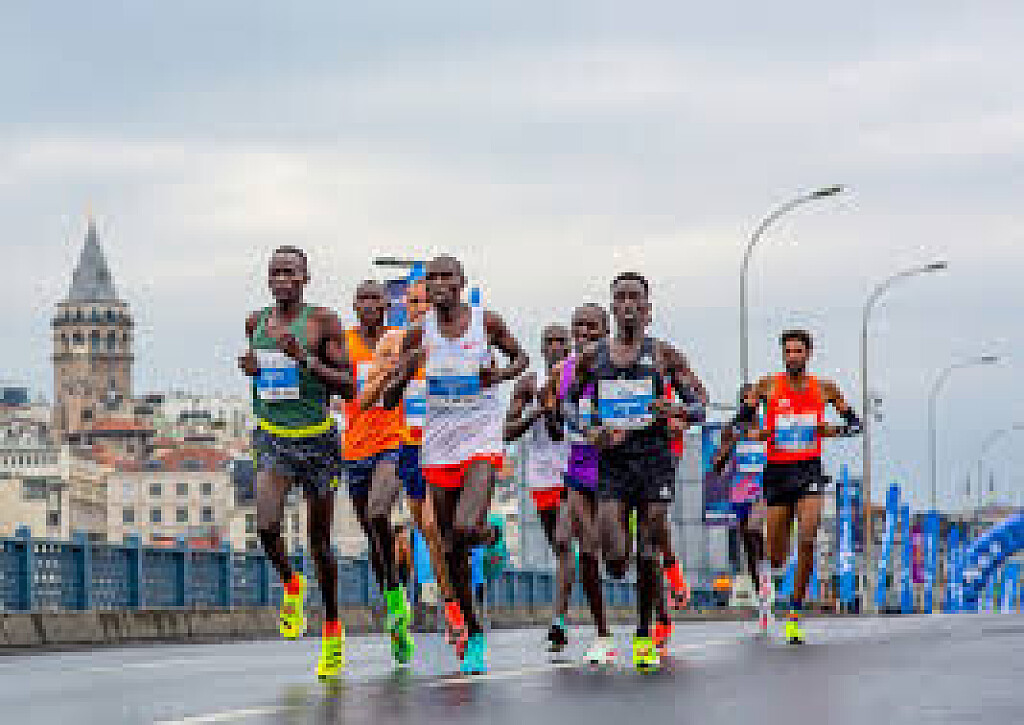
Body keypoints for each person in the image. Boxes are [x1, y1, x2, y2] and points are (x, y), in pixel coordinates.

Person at [383, 255, 528, 674]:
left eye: (447, 276)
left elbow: (521, 360)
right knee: (449, 547)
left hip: (481, 437)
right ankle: (473, 630)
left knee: (464, 530)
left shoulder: (487, 322)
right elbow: (390, 401)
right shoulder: (417, 334)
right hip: (439, 445)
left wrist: (498, 375)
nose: (440, 284)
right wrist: (404, 372)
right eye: (433, 278)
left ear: (462, 281)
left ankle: (487, 533)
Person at [580, 272, 707, 672]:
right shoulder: (593, 357)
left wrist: (679, 410)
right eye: (620, 298)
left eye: (635, 298)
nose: (628, 305)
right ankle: (639, 588)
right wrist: (590, 430)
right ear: (612, 308)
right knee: (616, 559)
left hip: (654, 460)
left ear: (648, 310)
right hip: (613, 463)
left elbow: (699, 404)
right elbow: (566, 404)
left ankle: (642, 635)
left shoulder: (665, 355)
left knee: (648, 547)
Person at [237, 246, 352, 683]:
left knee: (320, 545)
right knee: (266, 525)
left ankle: (332, 630)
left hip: (318, 441)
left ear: (305, 278)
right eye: (275, 273)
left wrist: (305, 358)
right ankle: (291, 584)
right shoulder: (254, 323)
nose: (282, 280)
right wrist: (252, 370)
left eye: (290, 272)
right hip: (273, 437)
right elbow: (266, 375)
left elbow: (349, 386)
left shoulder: (323, 322)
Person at [356, 278, 467, 656]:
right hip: (411, 448)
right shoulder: (393, 343)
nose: (419, 309)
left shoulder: (454, 340)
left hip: (449, 446)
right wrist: (392, 371)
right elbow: (365, 400)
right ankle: (452, 607)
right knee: (430, 534)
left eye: (425, 302)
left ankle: (457, 605)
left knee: (439, 527)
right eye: (412, 303)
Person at [737, 329, 862, 644]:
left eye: (798, 351)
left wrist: (830, 430)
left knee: (807, 537)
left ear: (808, 354)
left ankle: (794, 613)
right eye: (788, 351)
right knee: (777, 556)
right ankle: (767, 583)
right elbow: (741, 422)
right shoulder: (767, 385)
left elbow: (855, 424)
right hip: (778, 472)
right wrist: (756, 434)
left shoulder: (825, 388)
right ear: (783, 355)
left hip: (808, 470)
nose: (792, 357)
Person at [340, 280, 413, 665]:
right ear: (355, 305)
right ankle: (394, 603)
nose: (369, 304)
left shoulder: (398, 340)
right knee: (373, 535)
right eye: (362, 298)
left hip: (393, 441)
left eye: (375, 298)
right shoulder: (344, 343)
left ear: (386, 303)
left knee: (378, 511)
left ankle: (397, 601)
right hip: (354, 448)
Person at [553, 303, 617, 665]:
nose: (583, 332)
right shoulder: (564, 371)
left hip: (617, 468)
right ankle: (603, 634)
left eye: (592, 325)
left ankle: (659, 615)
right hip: (579, 467)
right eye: (578, 325)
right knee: (588, 549)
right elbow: (561, 414)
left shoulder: (619, 366)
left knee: (618, 556)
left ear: (606, 330)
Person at [505, 324, 572, 653]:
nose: (556, 347)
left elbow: (560, 431)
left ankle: (558, 620)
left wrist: (556, 403)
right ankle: (563, 609)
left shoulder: (580, 380)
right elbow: (507, 430)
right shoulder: (528, 383)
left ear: (570, 348)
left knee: (564, 541)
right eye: (550, 342)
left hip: (574, 471)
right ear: (542, 348)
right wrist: (537, 411)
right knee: (560, 548)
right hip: (542, 476)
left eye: (562, 341)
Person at [713, 384, 771, 634]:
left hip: (764, 489)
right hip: (739, 494)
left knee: (755, 529)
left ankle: (767, 578)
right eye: (747, 401)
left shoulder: (769, 427)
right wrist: (728, 448)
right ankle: (762, 599)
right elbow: (717, 465)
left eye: (755, 401)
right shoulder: (731, 429)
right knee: (748, 544)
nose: (751, 405)